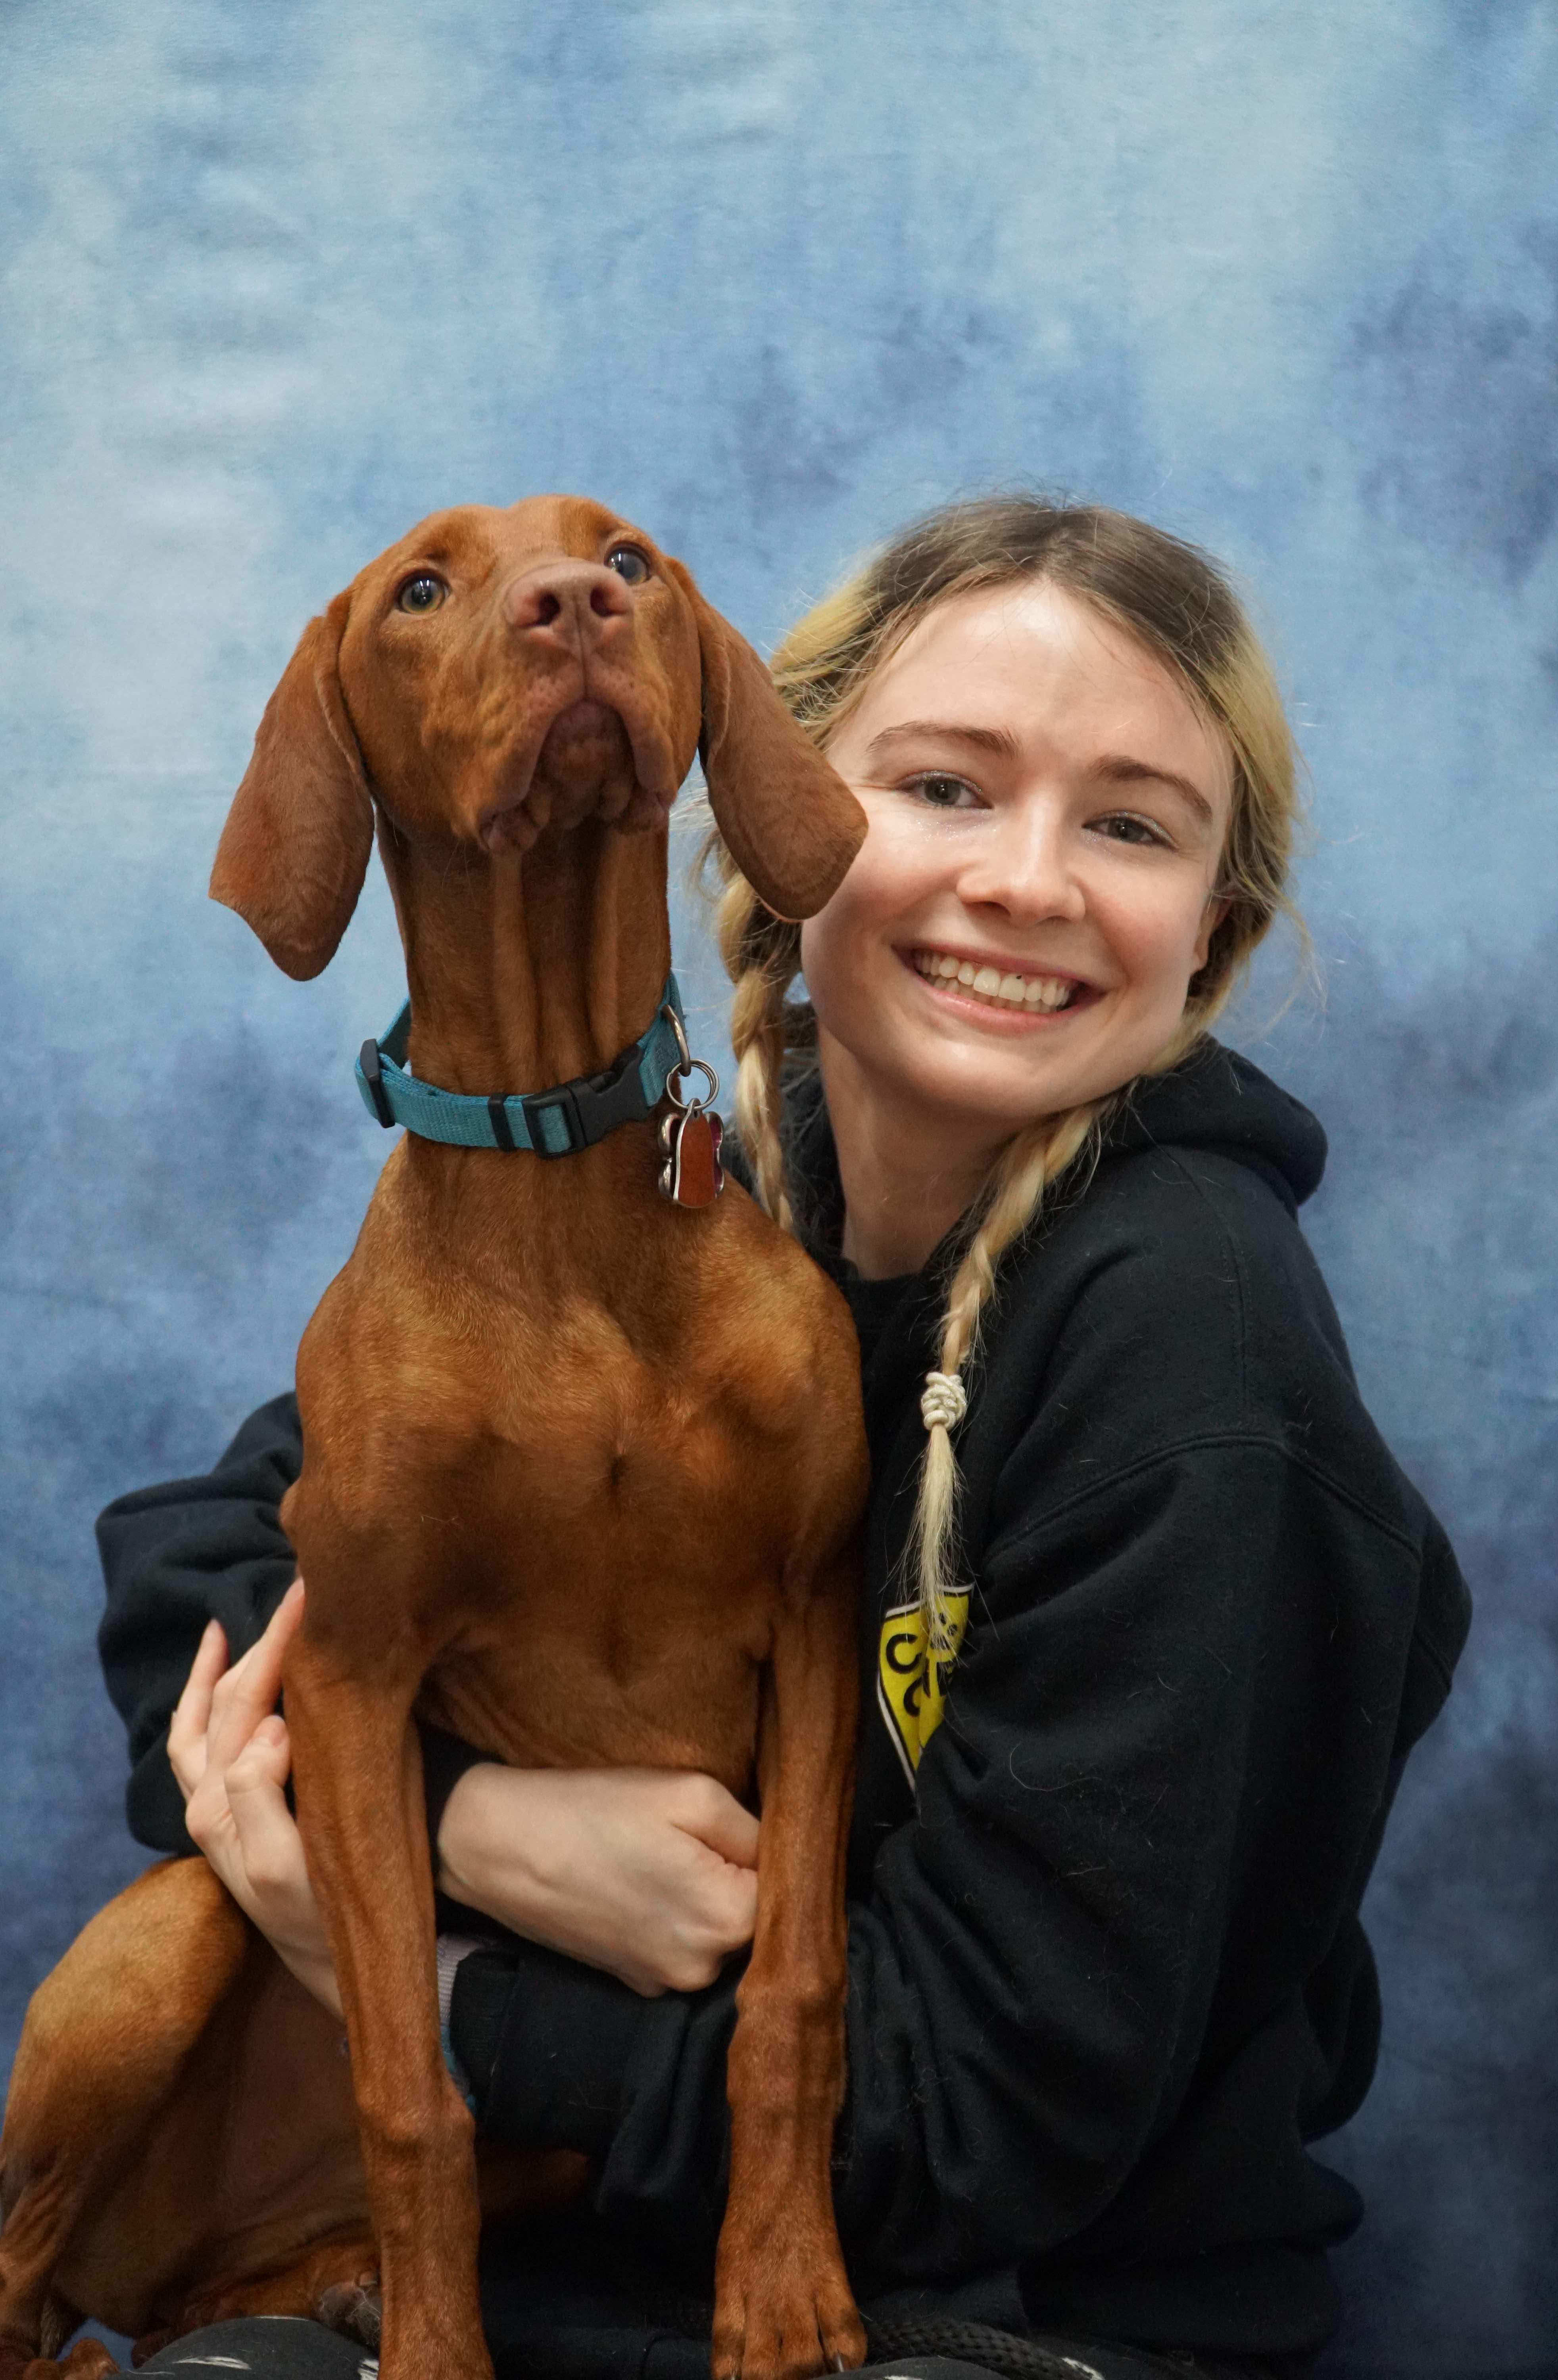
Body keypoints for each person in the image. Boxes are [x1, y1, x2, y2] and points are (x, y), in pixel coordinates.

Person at [97, 496, 1471, 2380]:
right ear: (778, 810)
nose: (1026, 881)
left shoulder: (1197, 1359)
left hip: (998, 2313)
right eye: (946, 788)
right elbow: (205, 1555)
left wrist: (416, 1972)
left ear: (1210, 931)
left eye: (1131, 825)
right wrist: (464, 1820)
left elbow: (980, 2134)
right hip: (588, 2251)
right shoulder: (698, 1176)